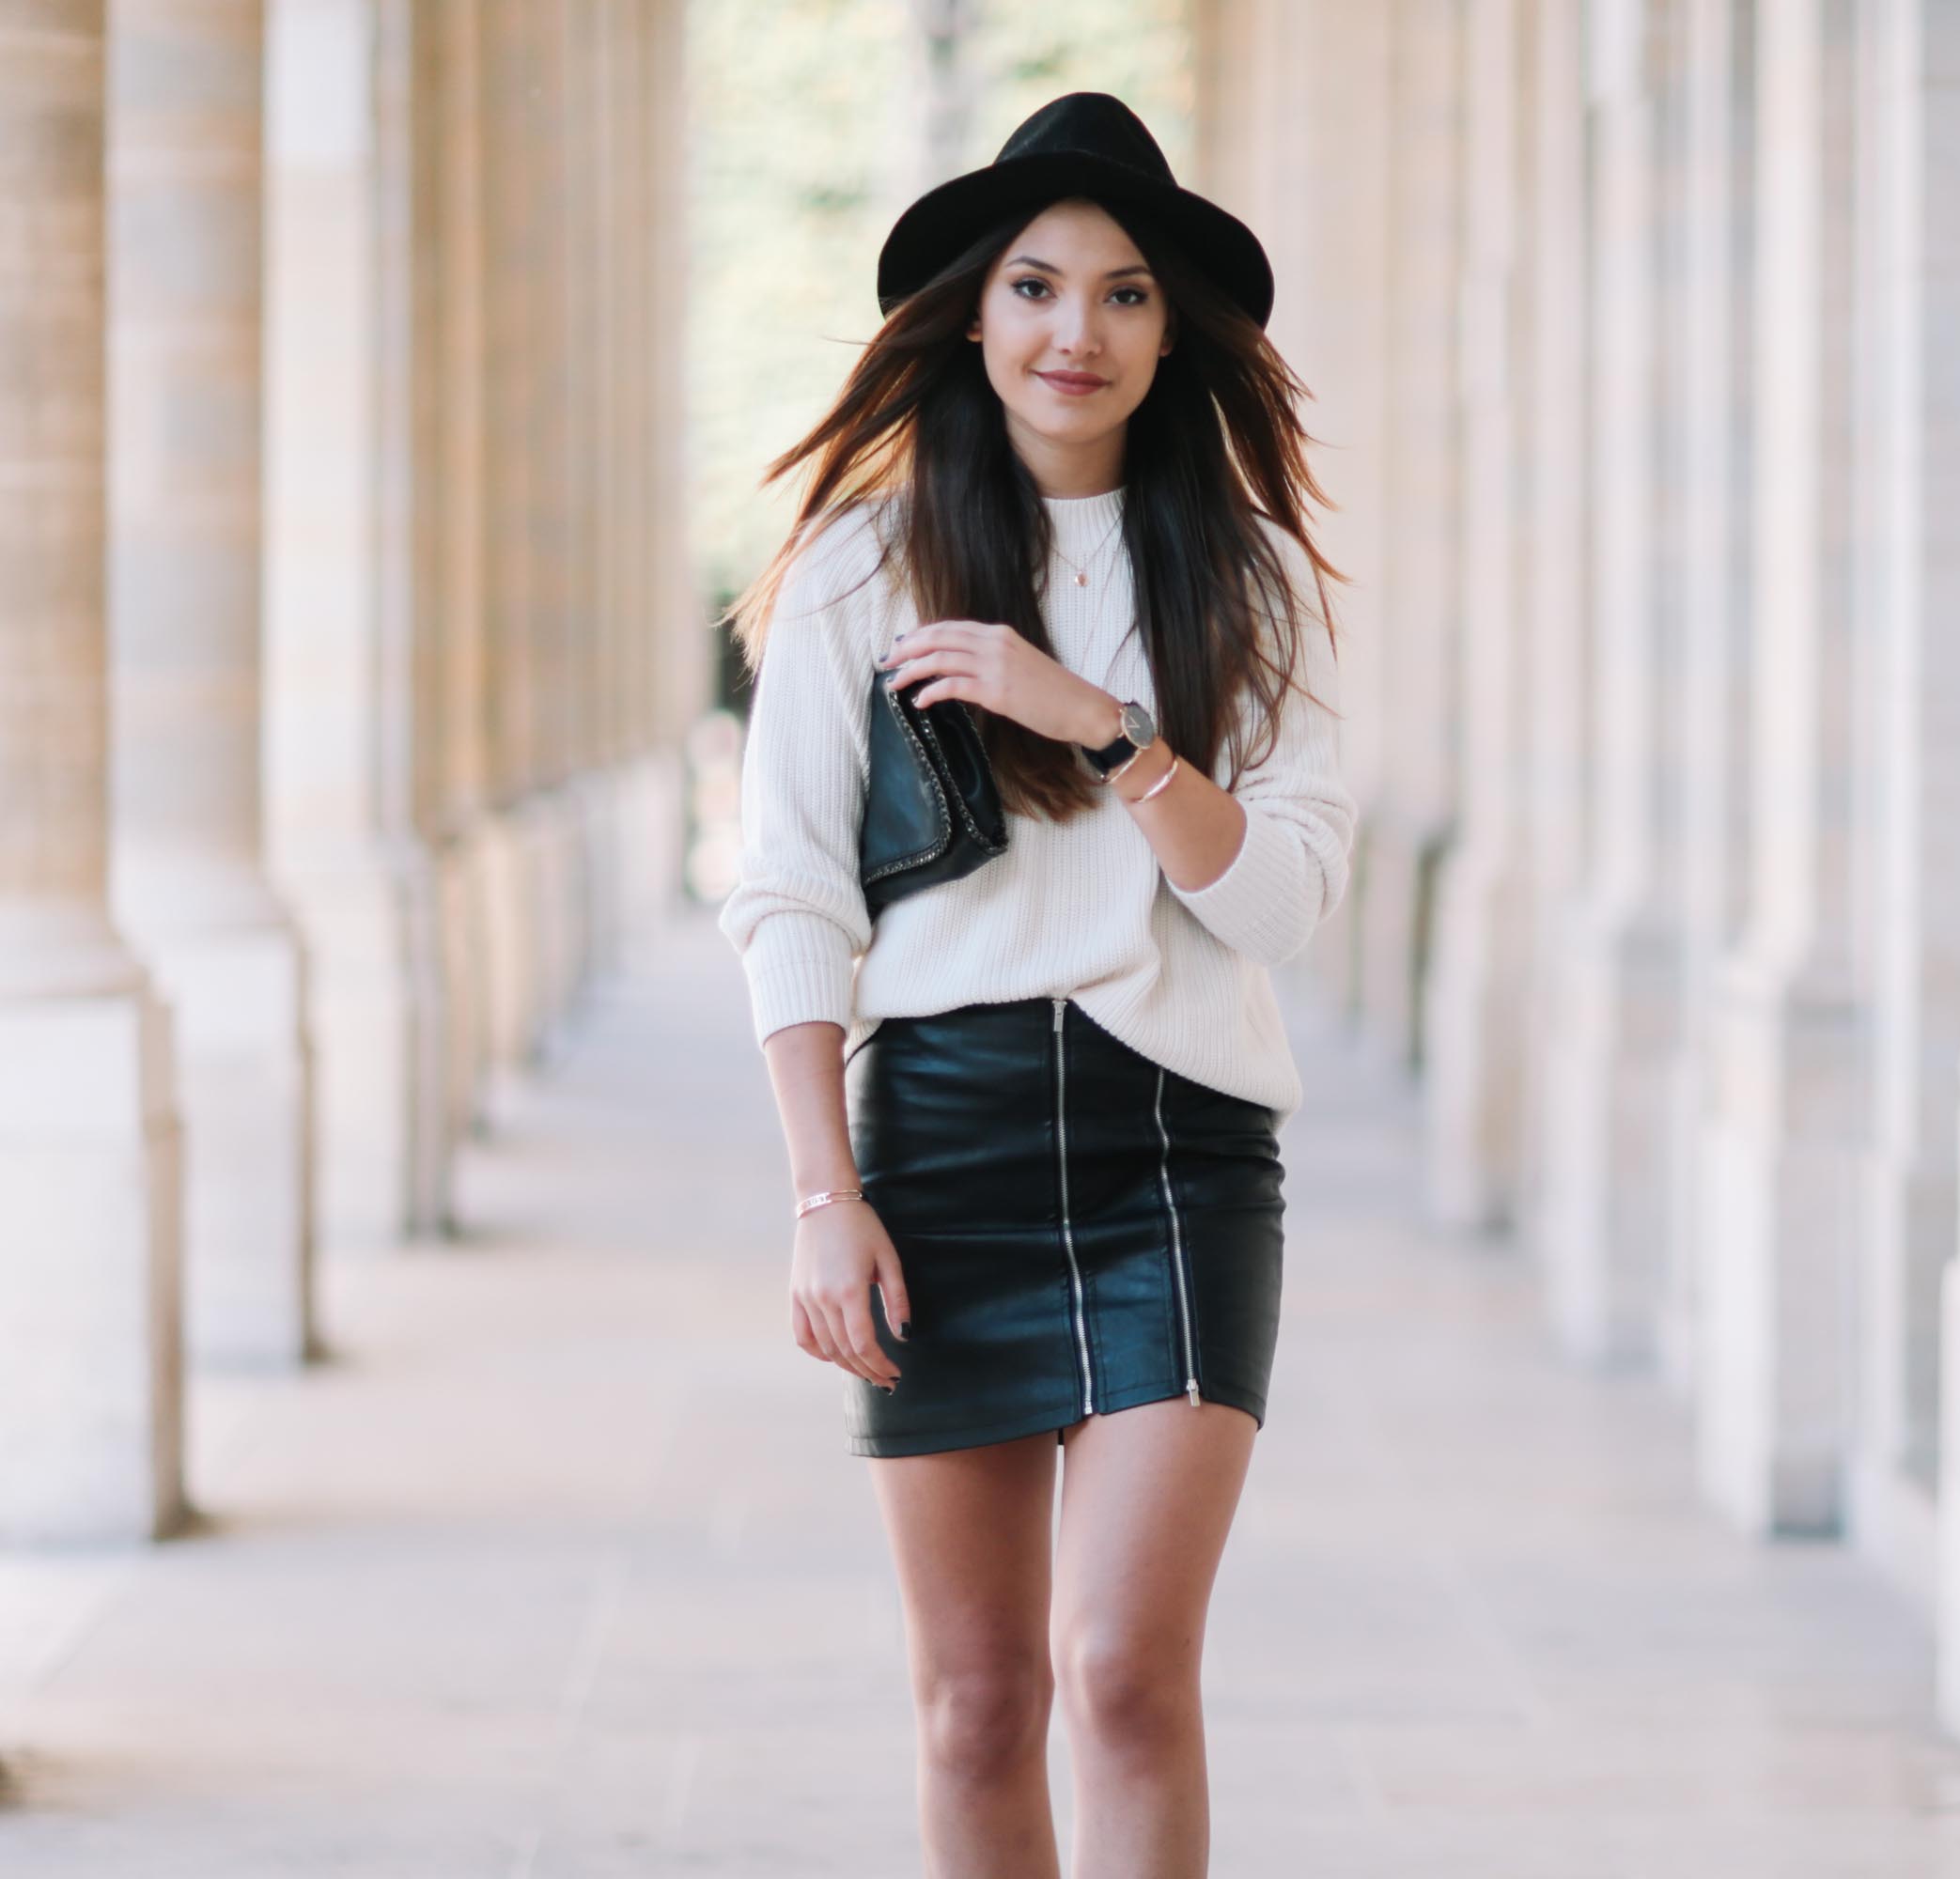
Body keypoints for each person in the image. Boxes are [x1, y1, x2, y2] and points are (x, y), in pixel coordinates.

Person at [713, 92, 1353, 1879]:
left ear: (1175, 330)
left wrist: (1110, 731)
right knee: (975, 1703)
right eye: (1039, 287)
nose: (1080, 332)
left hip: (1184, 1152)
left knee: (1126, 1676)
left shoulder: (1255, 583)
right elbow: (787, 895)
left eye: (1129, 294)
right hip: (941, 1148)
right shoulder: (861, 561)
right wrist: (820, 1194)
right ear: (976, 318)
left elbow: (1285, 904)